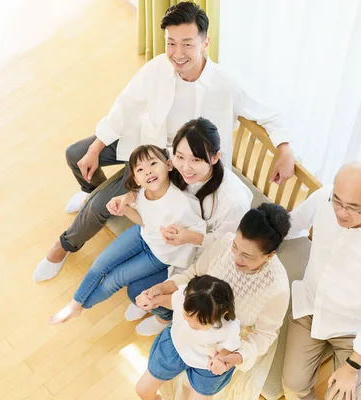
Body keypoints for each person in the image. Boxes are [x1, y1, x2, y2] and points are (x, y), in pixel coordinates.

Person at [33, 1, 294, 283]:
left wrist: (284, 148)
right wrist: (96, 147)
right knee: (76, 154)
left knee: (98, 207)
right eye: (171, 43)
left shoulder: (225, 83)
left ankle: (63, 246)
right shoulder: (158, 67)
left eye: (187, 44)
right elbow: (125, 106)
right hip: (145, 143)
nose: (177, 54)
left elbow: (271, 115)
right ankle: (92, 189)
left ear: (205, 43)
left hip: (171, 167)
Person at [108, 117, 253, 335]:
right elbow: (149, 175)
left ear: (215, 157)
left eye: (195, 160)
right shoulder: (173, 160)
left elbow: (226, 245)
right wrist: (129, 197)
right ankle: (152, 303)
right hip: (165, 238)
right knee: (124, 275)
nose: (185, 167)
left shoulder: (232, 201)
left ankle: (164, 318)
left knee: (137, 290)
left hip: (202, 254)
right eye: (179, 156)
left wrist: (190, 237)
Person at [135, 203, 291, 399]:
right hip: (191, 327)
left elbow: (264, 334)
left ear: (269, 256)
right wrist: (161, 289)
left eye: (247, 256)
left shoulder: (277, 288)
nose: (236, 257)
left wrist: (234, 357)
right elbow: (193, 276)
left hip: (223, 348)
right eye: (236, 246)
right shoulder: (224, 245)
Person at [281, 162, 361, 400]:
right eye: (337, 201)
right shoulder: (323, 198)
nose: (340, 212)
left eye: (352, 208)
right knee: (293, 387)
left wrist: (352, 368)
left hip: (352, 330)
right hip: (310, 309)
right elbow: (291, 226)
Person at [46, 145, 205, 323]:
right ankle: (74, 304)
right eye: (140, 170)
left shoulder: (183, 203)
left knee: (115, 279)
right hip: (142, 235)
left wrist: (184, 235)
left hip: (159, 256)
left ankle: (83, 306)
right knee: (100, 263)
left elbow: (201, 236)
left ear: (168, 165)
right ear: (136, 179)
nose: (148, 172)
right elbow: (144, 222)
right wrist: (125, 210)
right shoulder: (143, 192)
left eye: (153, 163)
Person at [136, 275, 241, 400]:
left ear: (222, 314)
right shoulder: (184, 296)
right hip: (176, 346)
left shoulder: (229, 328)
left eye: (202, 322)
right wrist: (154, 300)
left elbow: (229, 348)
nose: (192, 324)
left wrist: (220, 360)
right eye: (187, 315)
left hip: (205, 363)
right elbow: (173, 301)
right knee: (142, 390)